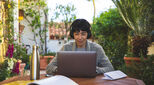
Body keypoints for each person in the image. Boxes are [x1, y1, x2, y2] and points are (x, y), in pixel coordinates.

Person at [46, 19, 114, 75]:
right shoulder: (66, 48)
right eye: (76, 34)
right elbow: (49, 68)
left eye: (83, 34)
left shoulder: (97, 48)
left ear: (88, 34)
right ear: (73, 34)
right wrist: (61, 70)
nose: (80, 37)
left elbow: (110, 68)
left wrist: (95, 70)